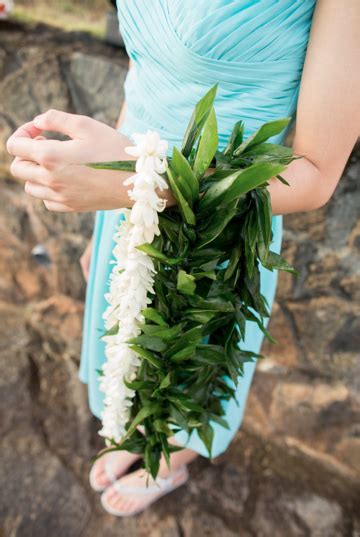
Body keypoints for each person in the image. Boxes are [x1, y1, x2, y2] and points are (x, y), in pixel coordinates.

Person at [6, 0, 360, 518]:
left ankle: (171, 457)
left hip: (219, 216)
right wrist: (111, 205)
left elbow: (314, 174)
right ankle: (139, 431)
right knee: (127, 347)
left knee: (189, 365)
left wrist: (136, 178)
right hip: (127, 200)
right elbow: (144, 72)